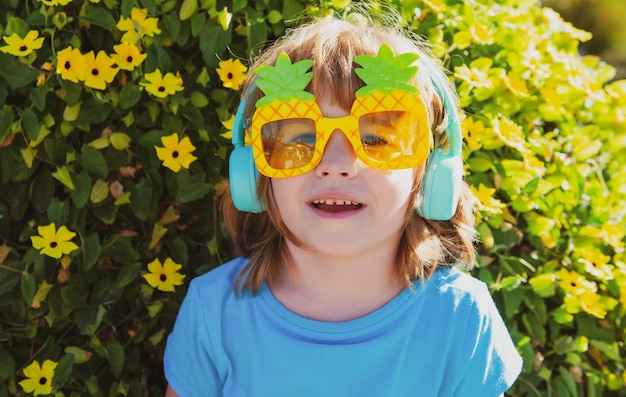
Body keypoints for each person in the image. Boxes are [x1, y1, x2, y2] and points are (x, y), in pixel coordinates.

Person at [163, 10, 523, 397]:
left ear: (430, 173)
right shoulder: (214, 312)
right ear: (255, 175)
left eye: (376, 140)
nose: (335, 166)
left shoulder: (461, 318)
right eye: (298, 139)